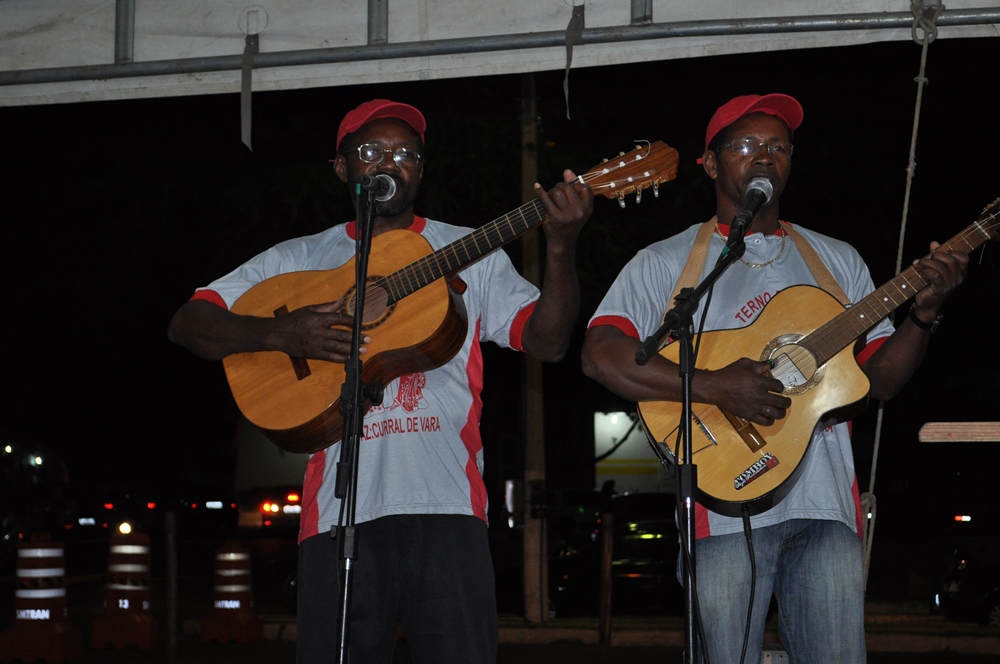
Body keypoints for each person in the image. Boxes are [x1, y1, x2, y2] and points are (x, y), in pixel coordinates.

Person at [168, 98, 593, 663]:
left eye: (406, 153)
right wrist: (281, 333)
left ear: (420, 169)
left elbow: (548, 341)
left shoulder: (467, 249)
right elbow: (188, 322)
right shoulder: (296, 259)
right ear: (341, 167)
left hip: (448, 507)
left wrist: (561, 248)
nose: (390, 162)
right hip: (336, 512)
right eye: (371, 151)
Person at [580, 93, 967, 662]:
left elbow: (879, 381)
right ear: (709, 163)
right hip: (722, 508)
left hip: (827, 507)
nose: (764, 156)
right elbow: (600, 355)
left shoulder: (837, 260)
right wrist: (715, 386)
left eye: (779, 147)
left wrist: (924, 315)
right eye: (745, 145)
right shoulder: (665, 262)